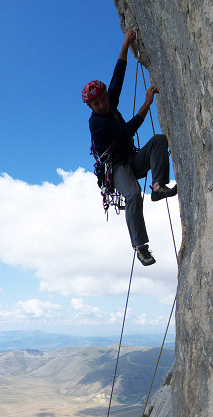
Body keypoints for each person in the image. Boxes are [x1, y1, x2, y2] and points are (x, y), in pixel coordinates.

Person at [82, 30, 177, 266]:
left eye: (103, 99)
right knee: (134, 194)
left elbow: (118, 76)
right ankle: (141, 247)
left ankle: (158, 186)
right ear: (90, 106)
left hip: (131, 159)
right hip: (117, 169)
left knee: (158, 141)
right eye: (96, 103)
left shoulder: (108, 102)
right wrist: (147, 103)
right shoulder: (97, 123)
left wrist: (125, 43)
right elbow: (126, 131)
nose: (103, 104)